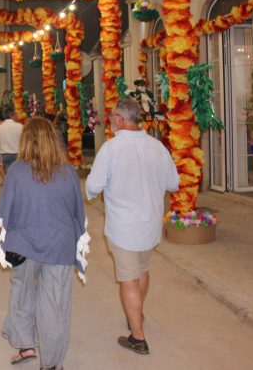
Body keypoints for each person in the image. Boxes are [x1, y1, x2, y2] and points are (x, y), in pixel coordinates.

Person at [85, 98, 179, 356]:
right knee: (142, 270)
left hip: (124, 227)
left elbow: (92, 187)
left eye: (113, 115)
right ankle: (135, 313)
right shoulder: (157, 146)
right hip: (149, 225)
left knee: (128, 278)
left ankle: (138, 337)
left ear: (121, 119)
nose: (111, 120)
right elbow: (173, 183)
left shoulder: (111, 148)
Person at [0, 117, 89, 370]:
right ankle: (52, 364)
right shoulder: (68, 172)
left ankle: (26, 346)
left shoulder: (16, 170)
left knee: (22, 295)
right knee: (55, 306)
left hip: (23, 245)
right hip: (59, 246)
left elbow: (4, 213)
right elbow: (77, 213)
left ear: (26, 140)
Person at [0, 106, 23, 173]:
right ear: (11, 115)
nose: (17, 115)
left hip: (5, 155)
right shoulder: (20, 126)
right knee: (18, 174)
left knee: (8, 174)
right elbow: (24, 141)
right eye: (15, 114)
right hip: (18, 154)